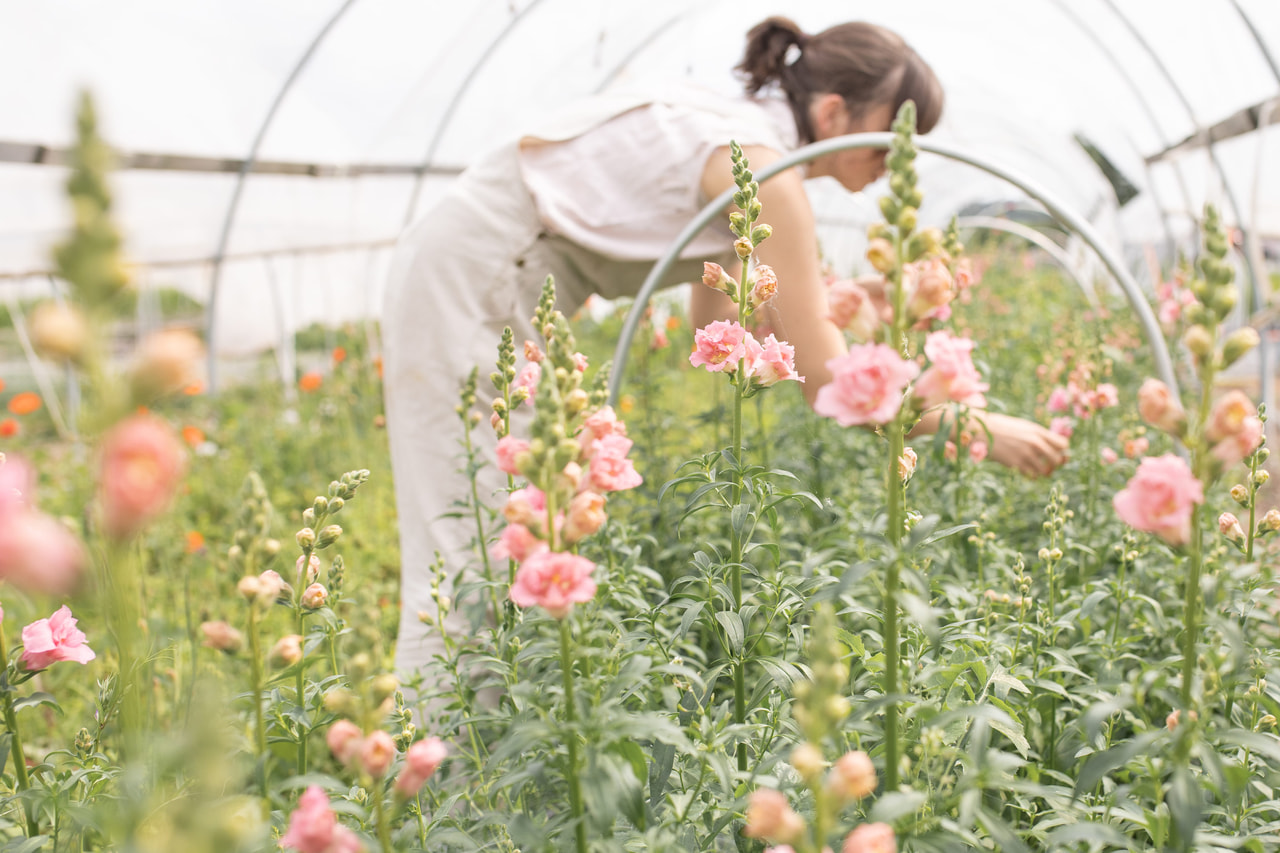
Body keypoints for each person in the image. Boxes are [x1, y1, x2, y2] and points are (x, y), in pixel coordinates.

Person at [382, 16, 1070, 687]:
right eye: (887, 146)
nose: (892, 169)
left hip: (482, 269)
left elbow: (724, 324)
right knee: (474, 542)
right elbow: (826, 381)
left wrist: (834, 299)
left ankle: (468, 759)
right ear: (833, 112)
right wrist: (977, 425)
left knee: (520, 526)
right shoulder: (765, 170)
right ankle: (439, 781)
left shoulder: (747, 140)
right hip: (475, 280)